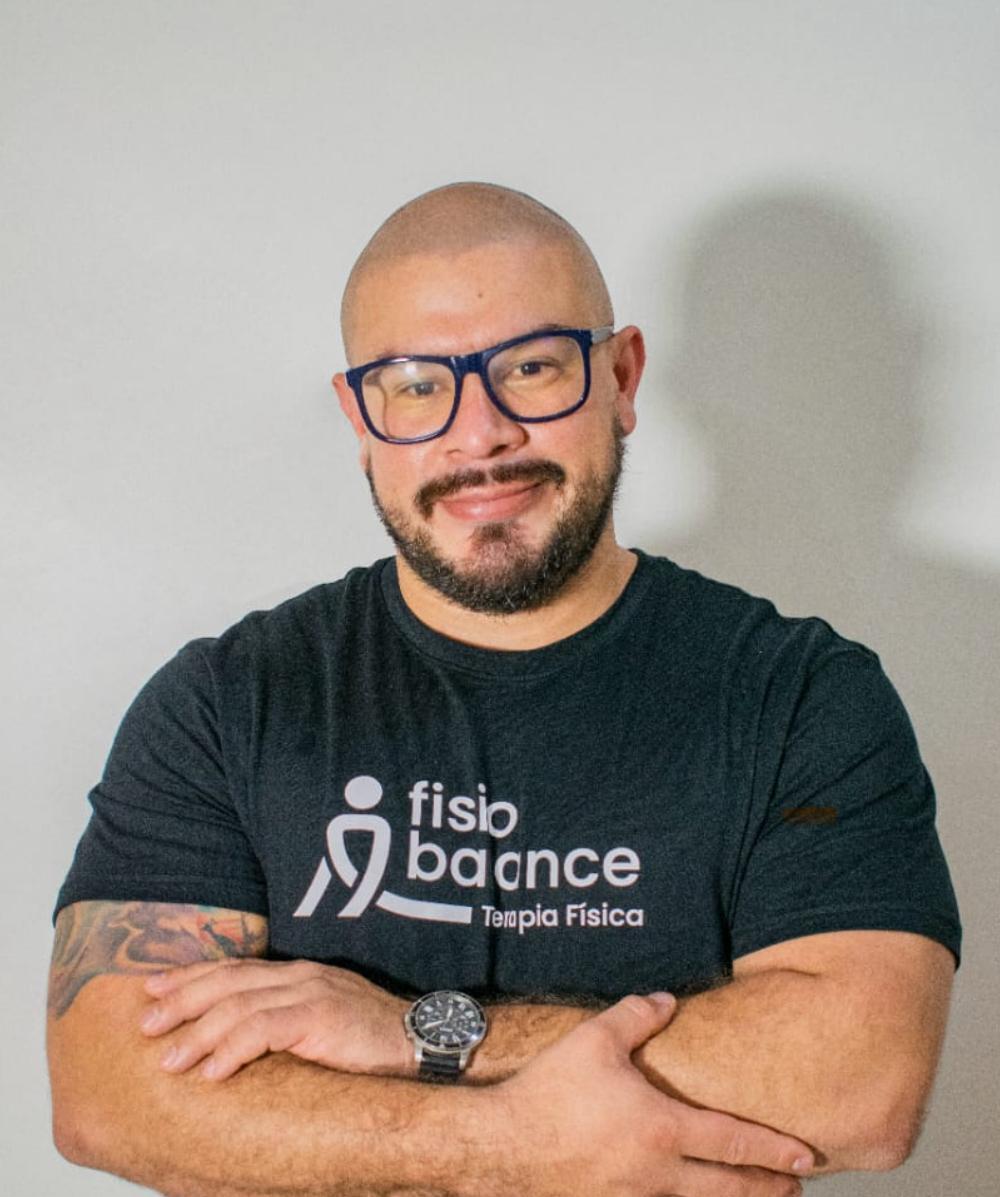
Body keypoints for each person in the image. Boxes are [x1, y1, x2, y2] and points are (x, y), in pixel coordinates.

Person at [48, 182, 961, 1197]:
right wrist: (513, 1145)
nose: (478, 434)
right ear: (361, 417)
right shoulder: (226, 705)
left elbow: (859, 1082)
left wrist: (416, 1034)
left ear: (621, 378)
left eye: (530, 368)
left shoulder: (798, 695)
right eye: (415, 385)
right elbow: (111, 1096)